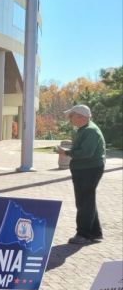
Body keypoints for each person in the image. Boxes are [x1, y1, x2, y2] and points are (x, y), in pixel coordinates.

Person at [56, 104, 106, 245]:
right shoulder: (85, 129)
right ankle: (95, 233)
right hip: (86, 169)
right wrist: (69, 150)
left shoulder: (90, 130)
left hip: (88, 170)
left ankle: (83, 235)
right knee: (87, 201)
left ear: (80, 117)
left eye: (71, 116)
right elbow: (83, 149)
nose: (69, 119)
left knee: (84, 202)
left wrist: (65, 152)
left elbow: (86, 153)